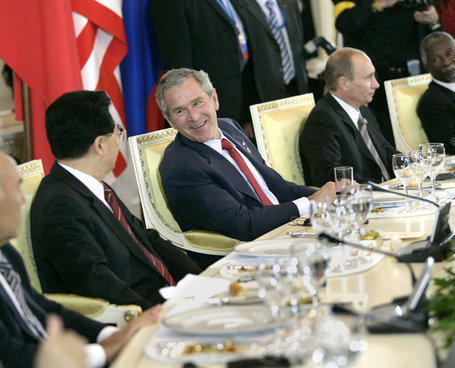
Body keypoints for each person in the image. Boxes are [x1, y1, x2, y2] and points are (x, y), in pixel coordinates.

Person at [30, 91, 201, 310]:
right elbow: (97, 284)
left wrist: (200, 279)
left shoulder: (93, 185)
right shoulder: (59, 207)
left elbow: (147, 239)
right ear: (99, 145)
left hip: (170, 296)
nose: (120, 138)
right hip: (140, 316)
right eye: (118, 132)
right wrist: (158, 314)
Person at [156, 68, 334, 269]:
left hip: (289, 234)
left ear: (214, 98)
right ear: (169, 120)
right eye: (180, 111)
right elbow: (244, 224)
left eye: (197, 102)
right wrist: (310, 203)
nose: (194, 116)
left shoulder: (229, 127)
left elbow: (276, 186)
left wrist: (330, 194)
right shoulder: (182, 168)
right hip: (246, 262)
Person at [0, 150, 161, 368]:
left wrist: (110, 334)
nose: (22, 199)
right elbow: (9, 353)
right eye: (16, 188)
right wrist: (102, 352)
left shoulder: (5, 251)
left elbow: (40, 306)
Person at [152, 0, 309, 140]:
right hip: (207, 116)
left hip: (240, 111)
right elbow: (179, 68)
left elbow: (246, 56)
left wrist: (249, 113)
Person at [332, 0, 441, 145]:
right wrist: (379, 5)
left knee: (416, 138)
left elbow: (437, 38)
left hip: (410, 79)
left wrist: (434, 21)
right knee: (381, 140)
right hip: (373, 83)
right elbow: (344, 23)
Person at [299, 48, 398, 186]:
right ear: (344, 83)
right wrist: (382, 188)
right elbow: (328, 175)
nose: (376, 84)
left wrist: (415, 166)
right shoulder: (322, 119)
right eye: (368, 77)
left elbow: (386, 151)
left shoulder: (364, 110)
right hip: (364, 200)